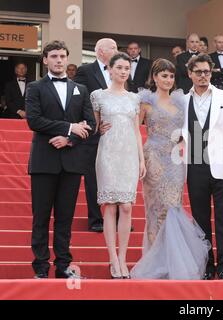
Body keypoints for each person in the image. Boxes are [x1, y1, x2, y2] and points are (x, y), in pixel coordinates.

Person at [130, 59, 210, 279]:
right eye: (163, 75)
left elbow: (189, 130)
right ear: (154, 77)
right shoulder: (145, 101)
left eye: (171, 76)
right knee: (155, 210)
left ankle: (172, 262)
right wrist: (140, 160)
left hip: (175, 160)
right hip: (153, 156)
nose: (168, 80)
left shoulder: (181, 101)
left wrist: (185, 145)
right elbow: (135, 131)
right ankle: (156, 264)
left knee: (173, 207)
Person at [26, 40, 95, 279]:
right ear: (45, 60)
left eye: (62, 56)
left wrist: (69, 139)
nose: (58, 60)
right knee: (41, 217)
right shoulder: (35, 87)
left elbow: (91, 125)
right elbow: (34, 121)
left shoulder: (81, 89)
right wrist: (69, 127)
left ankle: (64, 266)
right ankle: (41, 268)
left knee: (65, 218)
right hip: (44, 161)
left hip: (72, 161)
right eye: (53, 56)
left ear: (67, 59)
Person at [183, 54, 223, 280]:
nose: (202, 76)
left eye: (206, 72)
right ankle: (207, 266)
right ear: (190, 73)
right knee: (200, 220)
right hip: (195, 165)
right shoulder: (182, 99)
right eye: (198, 72)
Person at [91, 52, 146, 279]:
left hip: (129, 154)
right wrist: (97, 130)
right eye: (119, 68)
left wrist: (141, 159)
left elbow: (136, 129)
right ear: (110, 70)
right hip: (107, 153)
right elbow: (95, 128)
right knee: (111, 206)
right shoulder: (98, 96)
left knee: (126, 206)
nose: (123, 72)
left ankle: (123, 258)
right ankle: (113, 259)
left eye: (127, 68)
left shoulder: (134, 98)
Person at [74, 38, 118, 233]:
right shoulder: (85, 71)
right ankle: (95, 218)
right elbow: (80, 100)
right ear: (100, 51)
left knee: (115, 177)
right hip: (94, 135)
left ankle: (117, 218)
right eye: (113, 48)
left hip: (117, 135)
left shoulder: (120, 71)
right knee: (93, 178)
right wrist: (93, 124)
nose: (117, 50)